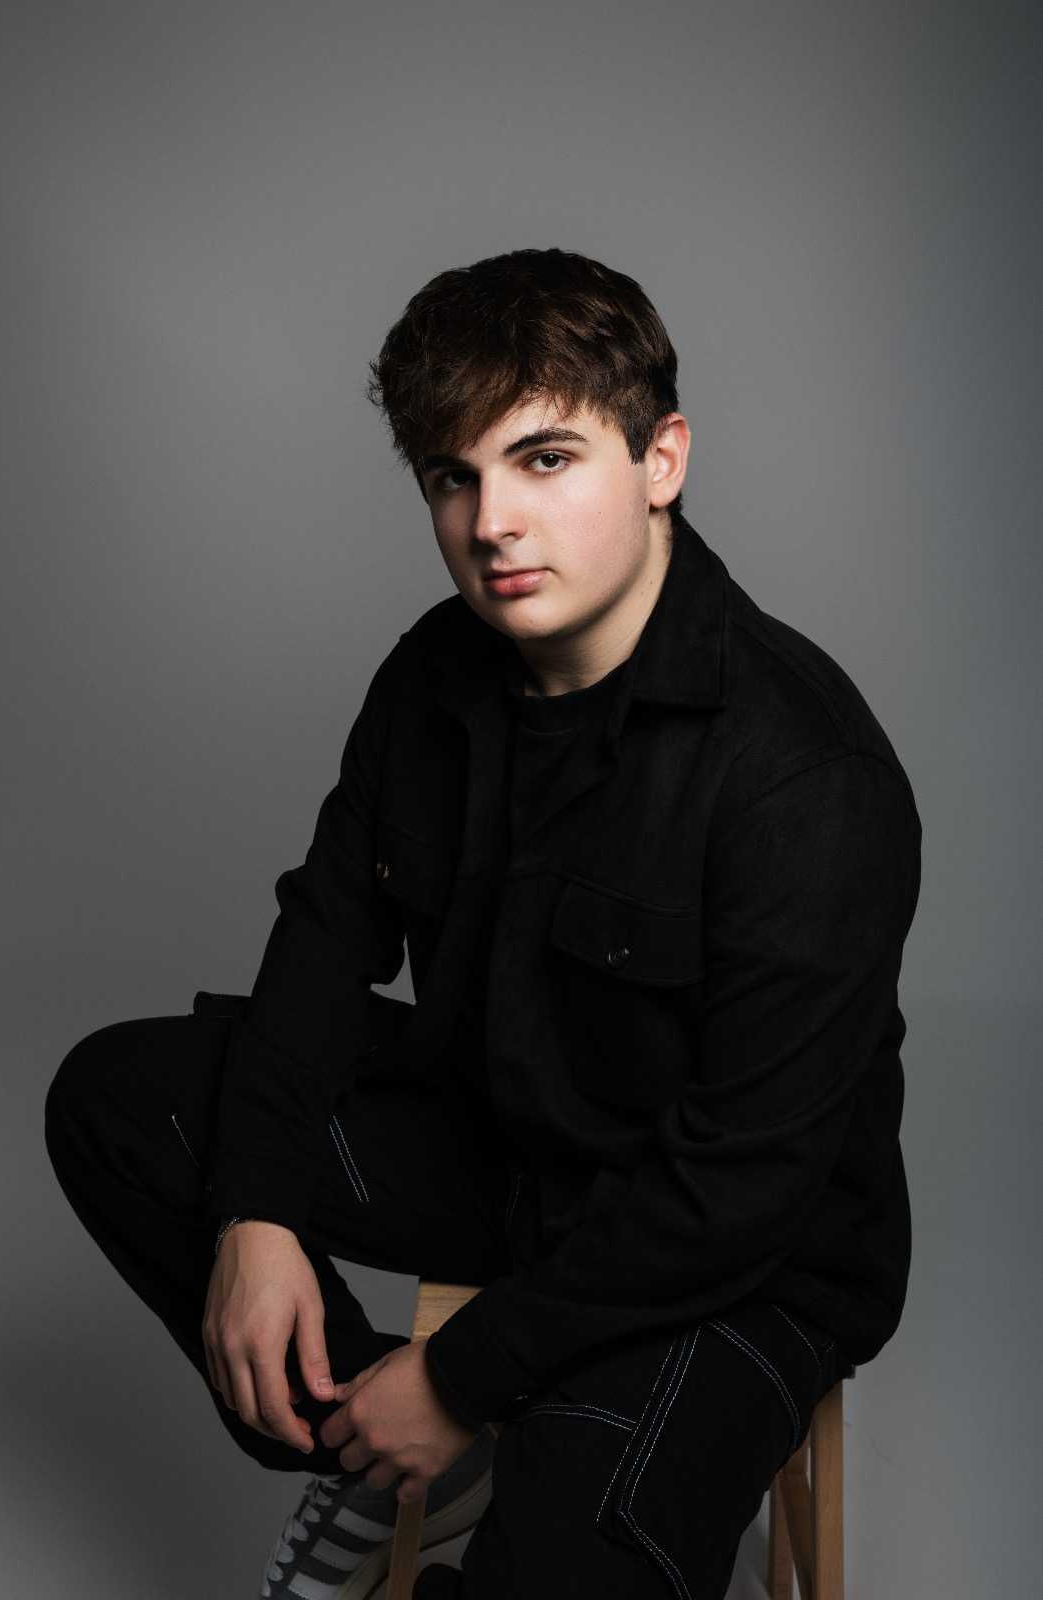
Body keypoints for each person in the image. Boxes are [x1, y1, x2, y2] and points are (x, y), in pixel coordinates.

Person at [45, 246, 923, 1600]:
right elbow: (325, 942)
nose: (492, 522)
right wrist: (256, 1211)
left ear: (661, 459)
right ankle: (375, 1446)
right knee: (118, 1099)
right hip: (508, 1152)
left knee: (563, 1562)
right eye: (452, 478)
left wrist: (461, 1373)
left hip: (736, 1254)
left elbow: (741, 1188)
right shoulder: (433, 674)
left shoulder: (803, 773)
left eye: (544, 460)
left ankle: (450, 1434)